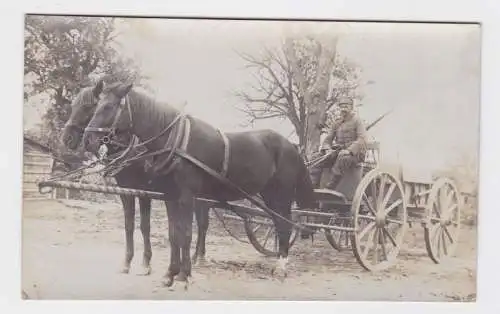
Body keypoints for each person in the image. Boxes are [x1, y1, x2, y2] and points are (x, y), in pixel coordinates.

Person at [309, 97, 368, 190]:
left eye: (346, 106)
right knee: (317, 157)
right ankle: (312, 186)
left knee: (343, 158)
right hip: (339, 152)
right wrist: (327, 148)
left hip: (355, 154)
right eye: (341, 107)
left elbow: (362, 139)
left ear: (351, 108)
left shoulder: (357, 121)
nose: (343, 109)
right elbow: (328, 139)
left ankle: (330, 187)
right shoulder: (337, 122)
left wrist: (349, 151)